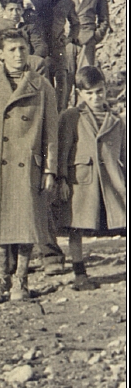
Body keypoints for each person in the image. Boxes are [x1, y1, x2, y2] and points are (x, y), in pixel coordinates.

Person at [0, 29, 59, 302]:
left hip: (28, 165)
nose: (18, 54)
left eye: (22, 48)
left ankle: (21, 281)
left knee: (25, 225)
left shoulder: (42, 86)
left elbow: (50, 133)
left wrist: (50, 169)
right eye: (12, 50)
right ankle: (2, 281)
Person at [56, 67, 126, 291]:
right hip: (82, 180)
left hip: (111, 182)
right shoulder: (71, 117)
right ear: (80, 94)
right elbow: (63, 150)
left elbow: (123, 154)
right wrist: (62, 179)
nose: (96, 97)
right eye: (90, 93)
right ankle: (79, 272)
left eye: (99, 92)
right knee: (76, 226)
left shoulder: (117, 120)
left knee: (120, 222)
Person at [63, 0, 111, 72]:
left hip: (87, 40)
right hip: (66, 39)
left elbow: (104, 19)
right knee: (65, 77)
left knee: (85, 77)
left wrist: (95, 37)